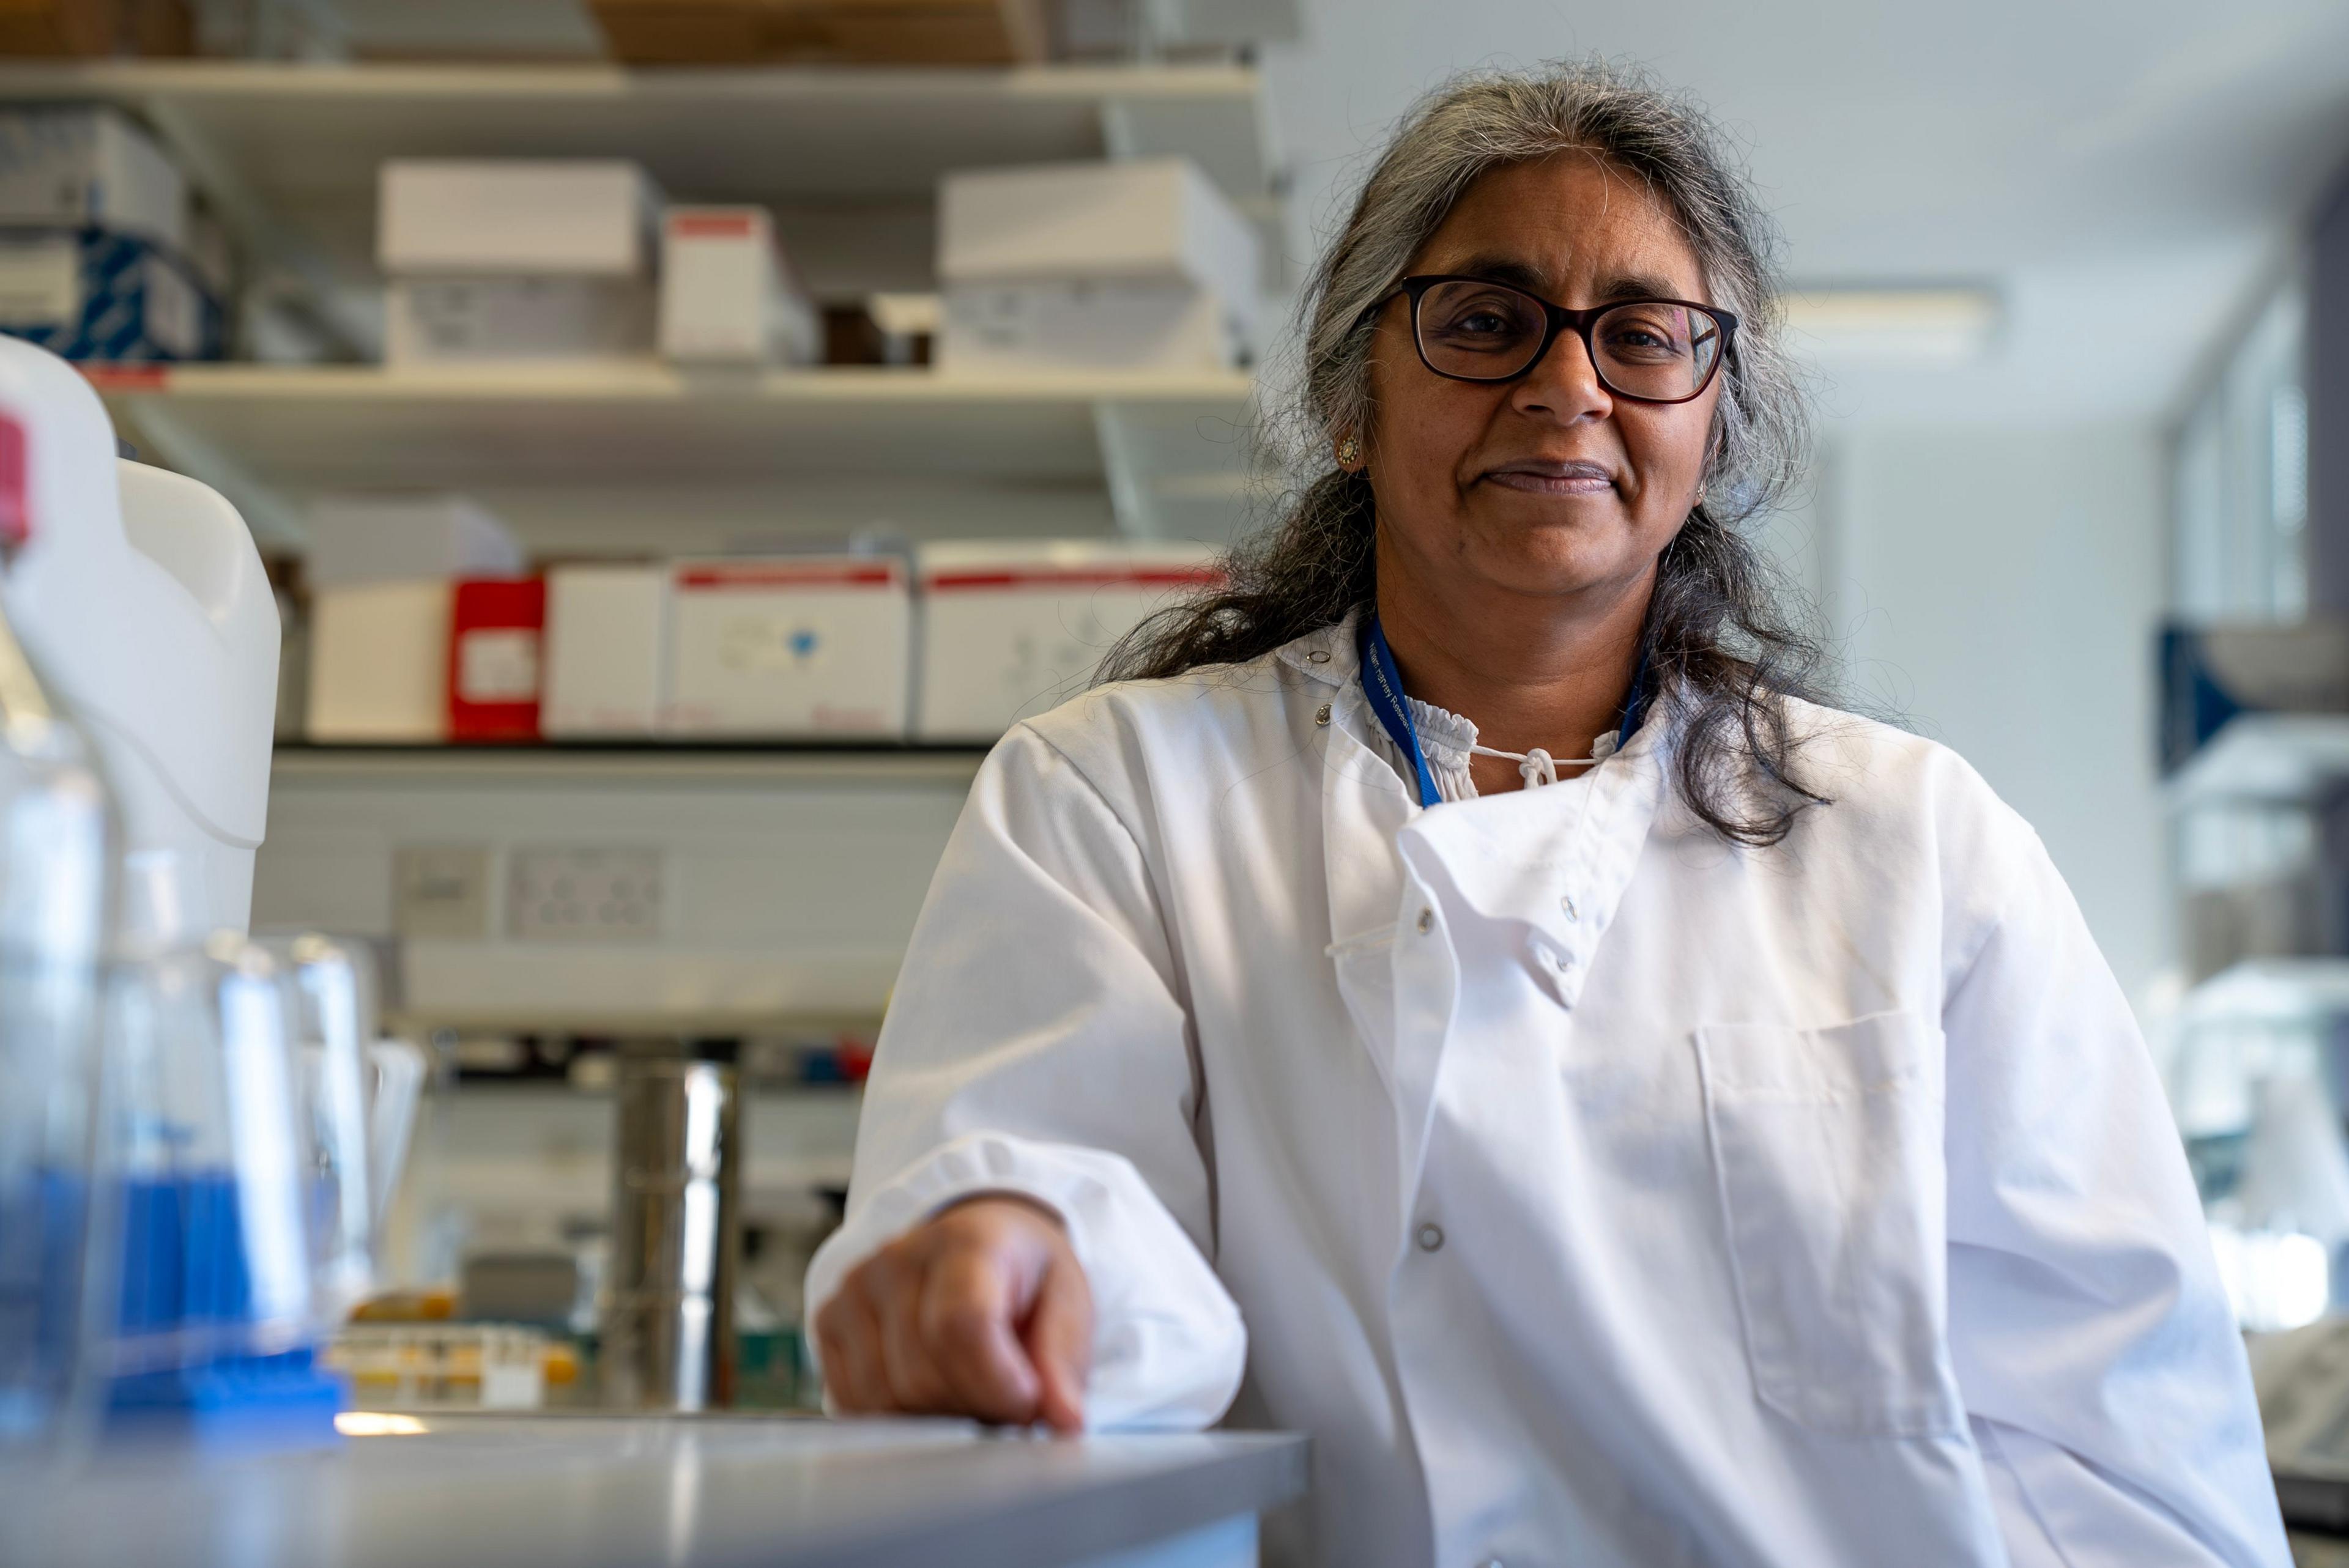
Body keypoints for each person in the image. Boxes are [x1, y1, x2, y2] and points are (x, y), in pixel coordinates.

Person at [804, 59, 2290, 1568]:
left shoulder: (1919, 846)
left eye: (1642, 336)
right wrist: (1004, 1260)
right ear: (1350, 402)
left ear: (1711, 426)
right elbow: (1056, 1229)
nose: (1566, 383)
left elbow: (2129, 1453)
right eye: (1485, 320)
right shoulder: (1122, 796)